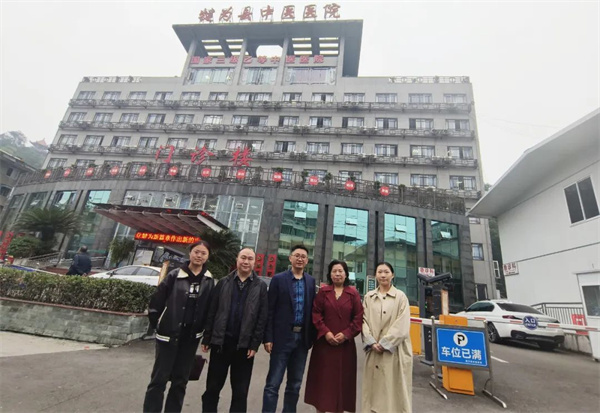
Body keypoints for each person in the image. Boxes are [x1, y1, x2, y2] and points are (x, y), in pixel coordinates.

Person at [143, 240, 214, 413]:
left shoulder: (208, 280)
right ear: (190, 253)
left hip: (190, 338)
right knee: (159, 380)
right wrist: (158, 325)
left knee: (180, 381)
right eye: (196, 252)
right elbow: (156, 302)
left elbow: (209, 309)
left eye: (203, 253)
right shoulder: (175, 275)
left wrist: (205, 333)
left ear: (207, 257)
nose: (199, 256)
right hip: (168, 336)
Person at [201, 248, 268, 413]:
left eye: (250, 259)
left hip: (244, 348)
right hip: (221, 344)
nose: (246, 261)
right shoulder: (224, 282)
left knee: (240, 392)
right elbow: (212, 311)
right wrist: (207, 337)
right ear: (237, 259)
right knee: (212, 388)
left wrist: (254, 344)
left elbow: (262, 318)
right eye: (243, 258)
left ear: (255, 262)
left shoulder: (260, 287)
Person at [262, 245, 317, 413]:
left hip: (301, 341)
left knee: (295, 384)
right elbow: (270, 310)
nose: (300, 259)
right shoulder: (278, 279)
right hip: (281, 338)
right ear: (290, 258)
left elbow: (312, 310)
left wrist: (310, 338)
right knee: (273, 384)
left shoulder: (310, 281)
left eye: (303, 256)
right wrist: (268, 337)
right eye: (297, 255)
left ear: (307, 261)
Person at [304, 260, 363, 413]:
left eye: (340, 271)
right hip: (324, 345)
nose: (337, 274)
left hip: (345, 347)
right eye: (334, 271)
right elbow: (316, 314)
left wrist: (346, 334)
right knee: (322, 383)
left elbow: (358, 318)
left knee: (341, 383)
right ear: (330, 274)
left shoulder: (353, 294)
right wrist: (326, 332)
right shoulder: (323, 292)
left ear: (346, 274)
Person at [362, 262, 413, 413]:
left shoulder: (401, 297)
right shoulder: (369, 297)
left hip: (395, 352)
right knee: (373, 391)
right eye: (380, 272)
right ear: (375, 275)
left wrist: (385, 343)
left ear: (392, 275)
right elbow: (363, 321)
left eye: (386, 272)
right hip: (373, 350)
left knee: (394, 390)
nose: (383, 275)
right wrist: (371, 341)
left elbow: (402, 325)